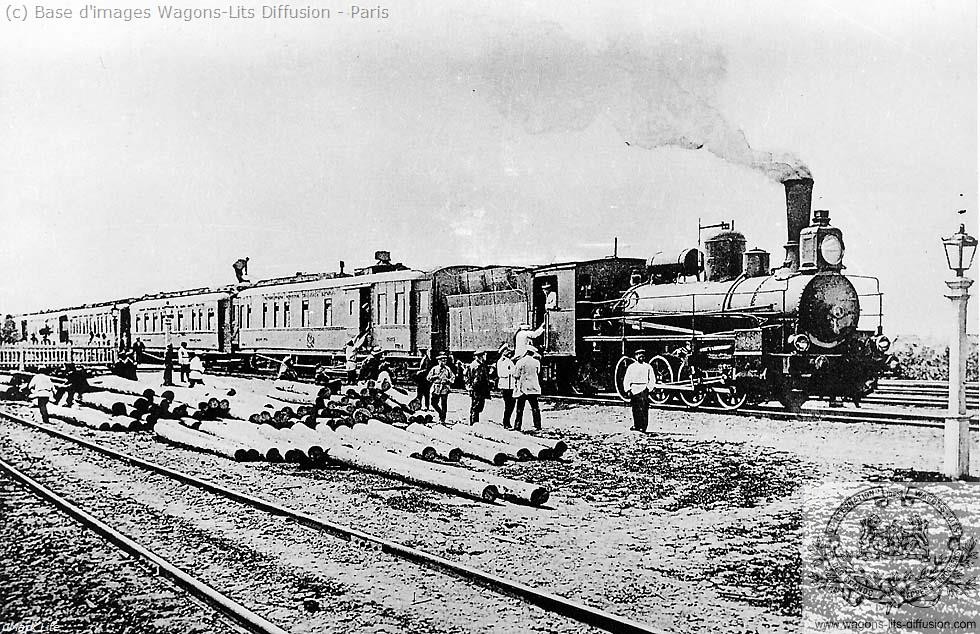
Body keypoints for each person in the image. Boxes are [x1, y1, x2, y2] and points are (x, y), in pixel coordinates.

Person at [623, 349, 654, 432]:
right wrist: (628, 389)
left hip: (643, 388)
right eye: (639, 355)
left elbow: (652, 379)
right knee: (635, 409)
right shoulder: (631, 367)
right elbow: (627, 379)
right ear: (635, 356)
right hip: (634, 389)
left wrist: (648, 388)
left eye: (642, 355)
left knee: (644, 409)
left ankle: (643, 427)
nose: (641, 357)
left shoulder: (648, 367)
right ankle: (636, 425)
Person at [513, 346, 542, 431]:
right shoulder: (536, 362)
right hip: (533, 388)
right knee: (535, 407)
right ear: (532, 353)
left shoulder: (520, 362)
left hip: (523, 389)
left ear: (526, 352)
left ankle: (517, 426)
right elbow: (538, 372)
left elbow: (516, 375)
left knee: (520, 408)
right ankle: (538, 426)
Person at [426, 353, 456, 423]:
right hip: (436, 388)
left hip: (444, 388)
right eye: (442, 361)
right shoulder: (434, 368)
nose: (444, 362)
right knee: (433, 403)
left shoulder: (447, 369)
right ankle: (440, 413)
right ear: (438, 361)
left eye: (445, 361)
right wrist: (434, 377)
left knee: (444, 404)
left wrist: (448, 381)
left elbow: (453, 377)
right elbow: (428, 378)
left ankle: (443, 419)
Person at [465, 349, 492, 425]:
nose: (485, 357)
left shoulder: (478, 364)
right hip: (478, 389)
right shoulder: (477, 365)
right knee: (476, 406)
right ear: (481, 356)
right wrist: (472, 387)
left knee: (477, 406)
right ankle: (474, 423)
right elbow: (476, 379)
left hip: (478, 389)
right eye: (484, 355)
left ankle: (474, 422)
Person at [496, 343, 516, 428]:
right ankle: (506, 422)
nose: (508, 352)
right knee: (509, 405)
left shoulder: (508, 361)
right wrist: (511, 372)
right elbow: (501, 373)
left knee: (511, 405)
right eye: (506, 351)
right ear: (503, 352)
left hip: (510, 386)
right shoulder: (501, 361)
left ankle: (507, 421)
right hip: (506, 386)